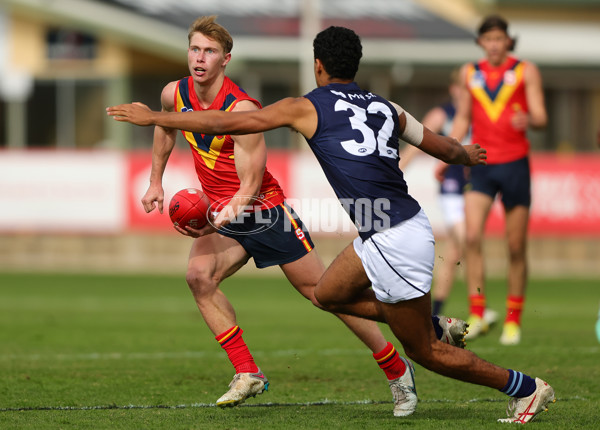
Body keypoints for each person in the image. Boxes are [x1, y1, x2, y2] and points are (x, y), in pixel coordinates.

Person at [107, 25, 555, 423]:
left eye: (207, 50)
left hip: (389, 235)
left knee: (425, 351)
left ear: (318, 65)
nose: (198, 58)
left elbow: (232, 121)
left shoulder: (307, 106)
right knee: (327, 294)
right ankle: (420, 328)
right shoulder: (386, 106)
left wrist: (153, 117)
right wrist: (465, 154)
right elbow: (437, 143)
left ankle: (523, 387)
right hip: (388, 227)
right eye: (195, 49)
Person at [449, 15, 548, 345]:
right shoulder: (469, 73)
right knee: (472, 236)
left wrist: (529, 119)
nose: (493, 44)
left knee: (516, 246)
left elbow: (542, 117)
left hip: (516, 164)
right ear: (480, 43)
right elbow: (463, 116)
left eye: (498, 38)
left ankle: (513, 319)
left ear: (508, 41)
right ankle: (478, 313)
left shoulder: (525, 71)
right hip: (482, 165)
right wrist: (449, 150)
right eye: (487, 38)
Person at [399, 71, 498, 327]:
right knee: (467, 240)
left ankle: (434, 311)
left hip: (476, 188)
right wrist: (394, 174)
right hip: (452, 190)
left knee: (454, 252)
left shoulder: (483, 113)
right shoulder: (441, 114)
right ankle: (480, 309)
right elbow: (413, 145)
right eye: (460, 88)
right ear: (453, 89)